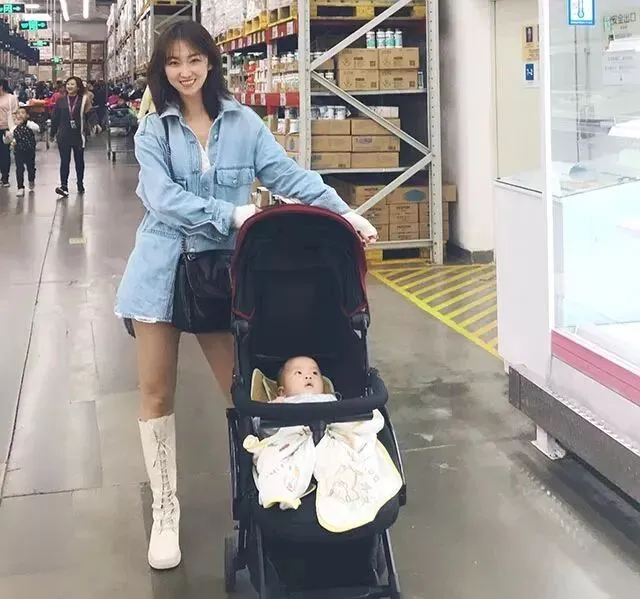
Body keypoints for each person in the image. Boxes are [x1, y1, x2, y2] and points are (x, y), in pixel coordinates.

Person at [114, 20, 378, 571]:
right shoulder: (152, 130)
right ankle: (165, 509)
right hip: (159, 268)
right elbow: (161, 197)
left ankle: (271, 487)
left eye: (194, 59)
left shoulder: (243, 123)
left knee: (242, 391)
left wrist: (345, 214)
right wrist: (228, 214)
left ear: (211, 62)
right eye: (173, 62)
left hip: (221, 274)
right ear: (162, 70)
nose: (185, 72)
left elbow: (290, 176)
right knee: (156, 394)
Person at [50, 76, 91, 197]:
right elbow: (55, 118)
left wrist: (95, 125)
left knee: (79, 161)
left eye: (72, 84)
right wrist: (53, 133)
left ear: (78, 87)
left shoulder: (83, 100)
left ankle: (80, 183)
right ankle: (64, 186)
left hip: (78, 135)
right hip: (63, 136)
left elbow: (89, 114)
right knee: (64, 161)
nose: (69, 86)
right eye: (68, 84)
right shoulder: (61, 101)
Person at [3, 106, 39, 197]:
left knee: (31, 167)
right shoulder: (14, 128)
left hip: (30, 150)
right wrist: (6, 137)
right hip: (18, 151)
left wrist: (26, 123)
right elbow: (7, 140)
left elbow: (37, 128)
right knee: (19, 168)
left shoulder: (30, 125)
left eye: (23, 113)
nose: (20, 115)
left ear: (27, 115)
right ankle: (20, 187)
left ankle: (31, 179)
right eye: (18, 113)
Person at [0, 79, 18, 187]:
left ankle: (5, 177)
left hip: (5, 129)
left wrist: (12, 129)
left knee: (4, 153)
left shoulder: (11, 98)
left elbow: (15, 114)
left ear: (1, 86)